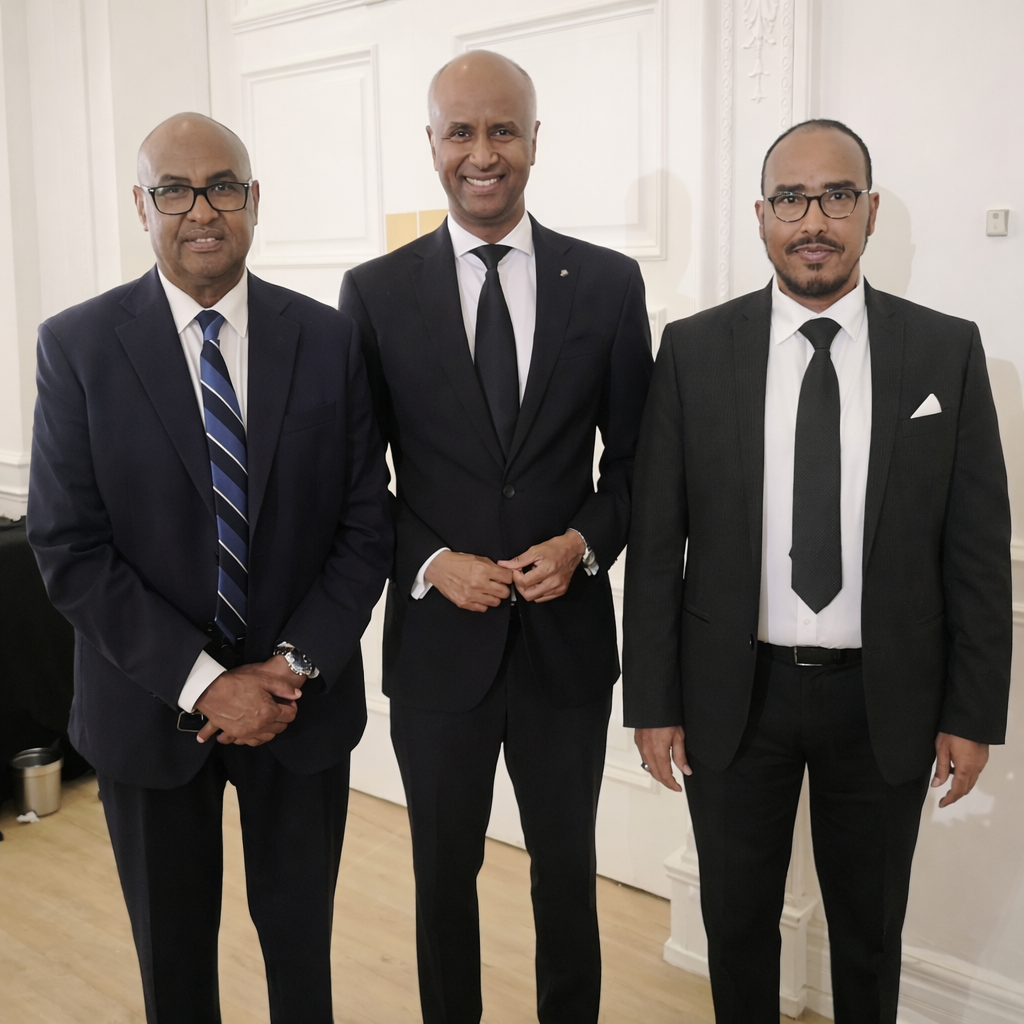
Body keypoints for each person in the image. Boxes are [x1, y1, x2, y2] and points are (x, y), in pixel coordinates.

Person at [623, 118, 1012, 1023]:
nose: (813, 221)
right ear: (761, 215)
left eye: (836, 197)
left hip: (885, 699)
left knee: (870, 937)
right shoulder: (694, 350)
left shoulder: (945, 350)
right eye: (791, 199)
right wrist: (653, 700)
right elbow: (658, 540)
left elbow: (976, 550)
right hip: (733, 695)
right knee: (736, 928)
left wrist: (971, 711)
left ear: (869, 212)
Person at [27, 113, 393, 1024]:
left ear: (254, 200)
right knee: (176, 971)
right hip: (149, 714)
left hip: (300, 712)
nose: (202, 211)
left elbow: (365, 525)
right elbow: (70, 546)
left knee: (303, 963)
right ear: (141, 206)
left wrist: (289, 669)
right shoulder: (76, 347)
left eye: (223, 187)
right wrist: (206, 684)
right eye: (175, 191)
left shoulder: (328, 338)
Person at [339, 51, 652, 1024]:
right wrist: (433, 562)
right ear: (431, 144)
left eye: (502, 130)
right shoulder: (374, 292)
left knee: (568, 874)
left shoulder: (607, 285)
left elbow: (636, 467)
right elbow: (356, 483)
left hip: (566, 647)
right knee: (442, 877)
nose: (483, 153)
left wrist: (582, 543)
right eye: (462, 132)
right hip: (439, 651)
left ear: (533, 140)